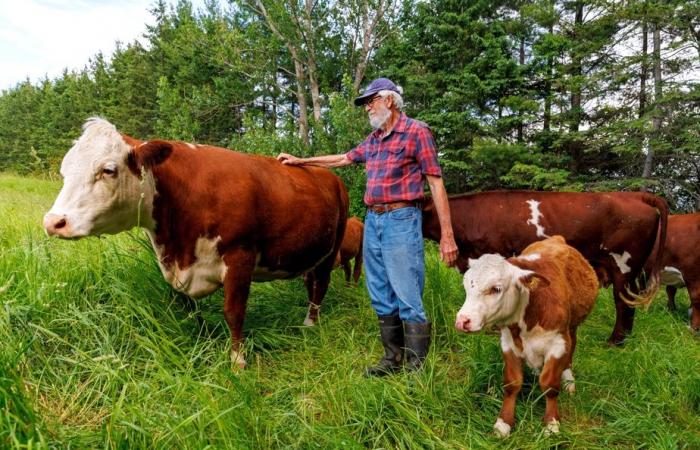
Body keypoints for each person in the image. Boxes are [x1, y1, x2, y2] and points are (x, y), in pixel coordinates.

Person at [277, 77, 458, 376]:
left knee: (406, 289)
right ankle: (392, 359)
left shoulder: (416, 132)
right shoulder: (374, 140)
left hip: (402, 218)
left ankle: (415, 368)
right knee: (378, 289)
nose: (367, 108)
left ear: (389, 100)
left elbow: (436, 184)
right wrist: (300, 161)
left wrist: (447, 236)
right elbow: (343, 158)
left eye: (370, 101)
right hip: (373, 219)